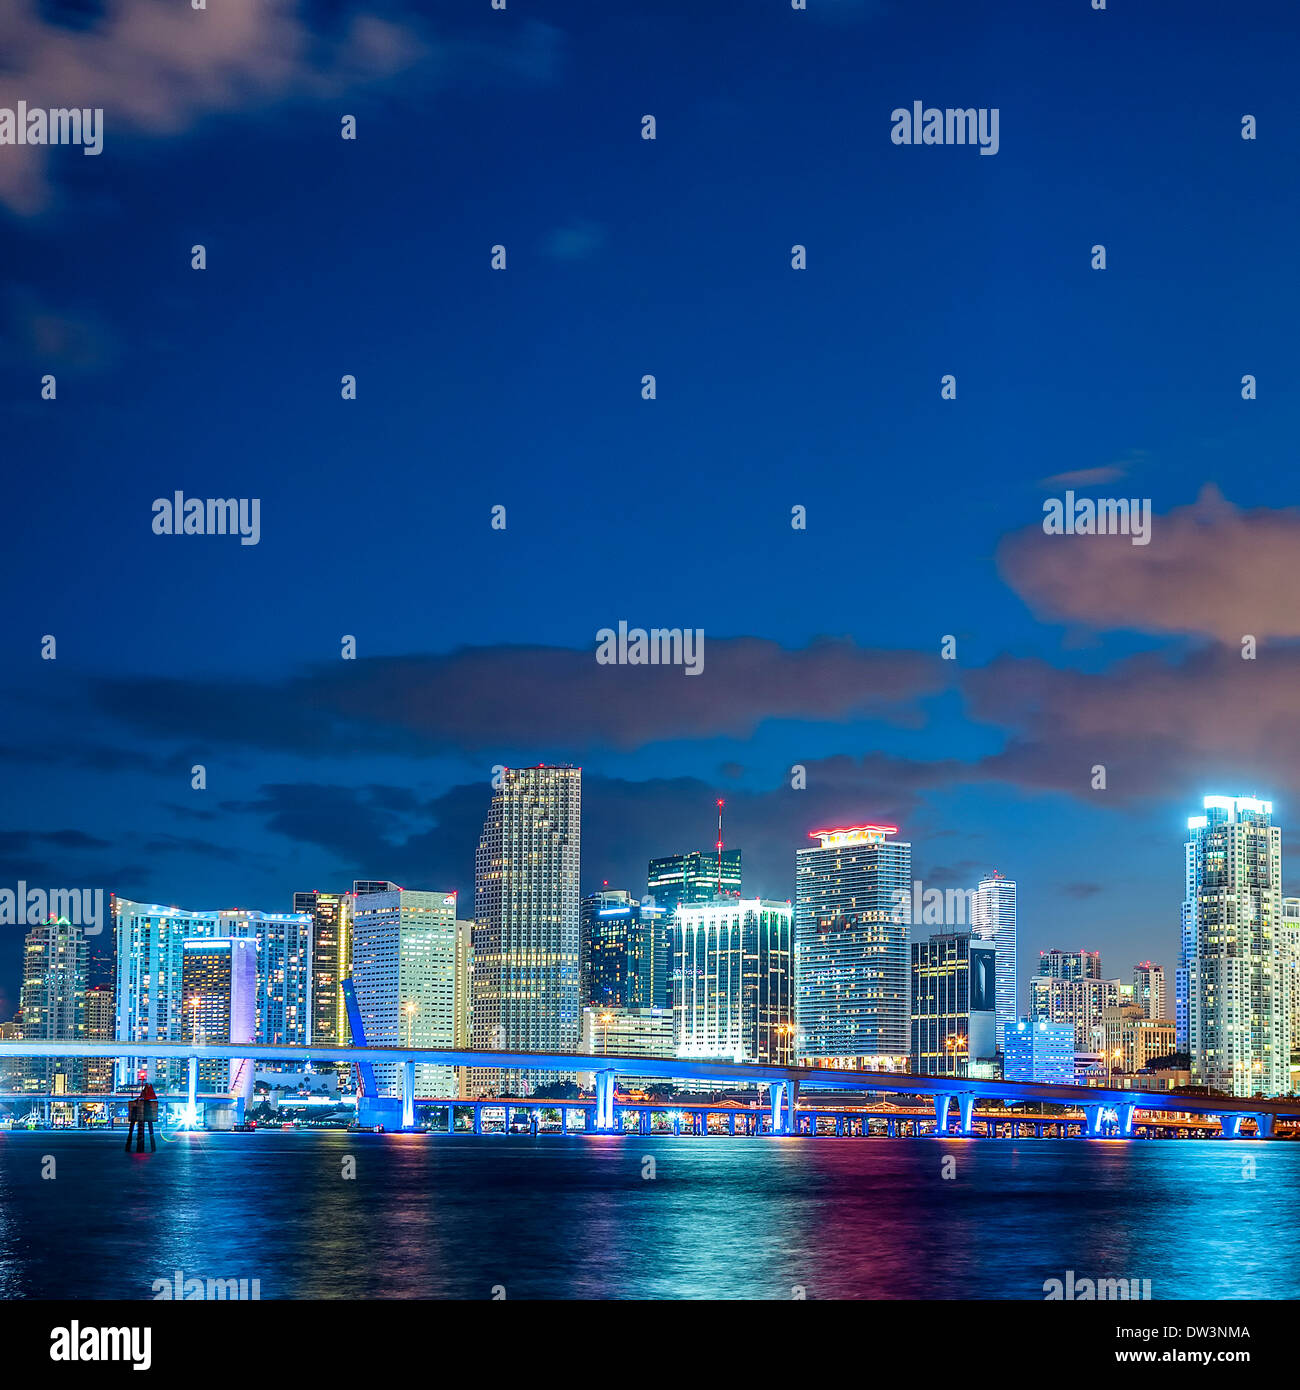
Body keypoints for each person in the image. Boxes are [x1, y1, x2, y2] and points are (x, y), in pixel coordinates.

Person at [124, 1081, 158, 1153]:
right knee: (150, 1132)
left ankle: (129, 1147)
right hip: (146, 1114)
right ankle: (152, 1147)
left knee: (132, 1131)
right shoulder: (148, 1102)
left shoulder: (139, 1102)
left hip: (139, 1114)